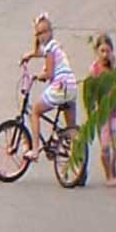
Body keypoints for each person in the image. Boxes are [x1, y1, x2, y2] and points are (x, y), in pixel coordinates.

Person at [19, 12, 77, 162]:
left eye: (44, 32)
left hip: (60, 86)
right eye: (38, 34)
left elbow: (50, 73)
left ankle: (35, 150)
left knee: (35, 111)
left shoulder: (50, 49)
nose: (41, 36)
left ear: (51, 31)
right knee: (71, 128)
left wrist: (39, 76)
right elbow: (41, 53)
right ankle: (78, 163)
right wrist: (30, 55)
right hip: (71, 86)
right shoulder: (56, 46)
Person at [87, 33, 116, 187]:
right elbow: (91, 92)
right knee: (105, 147)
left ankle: (114, 170)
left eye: (107, 51)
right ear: (97, 51)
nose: (105, 55)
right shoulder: (94, 69)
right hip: (102, 112)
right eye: (102, 51)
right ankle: (108, 174)